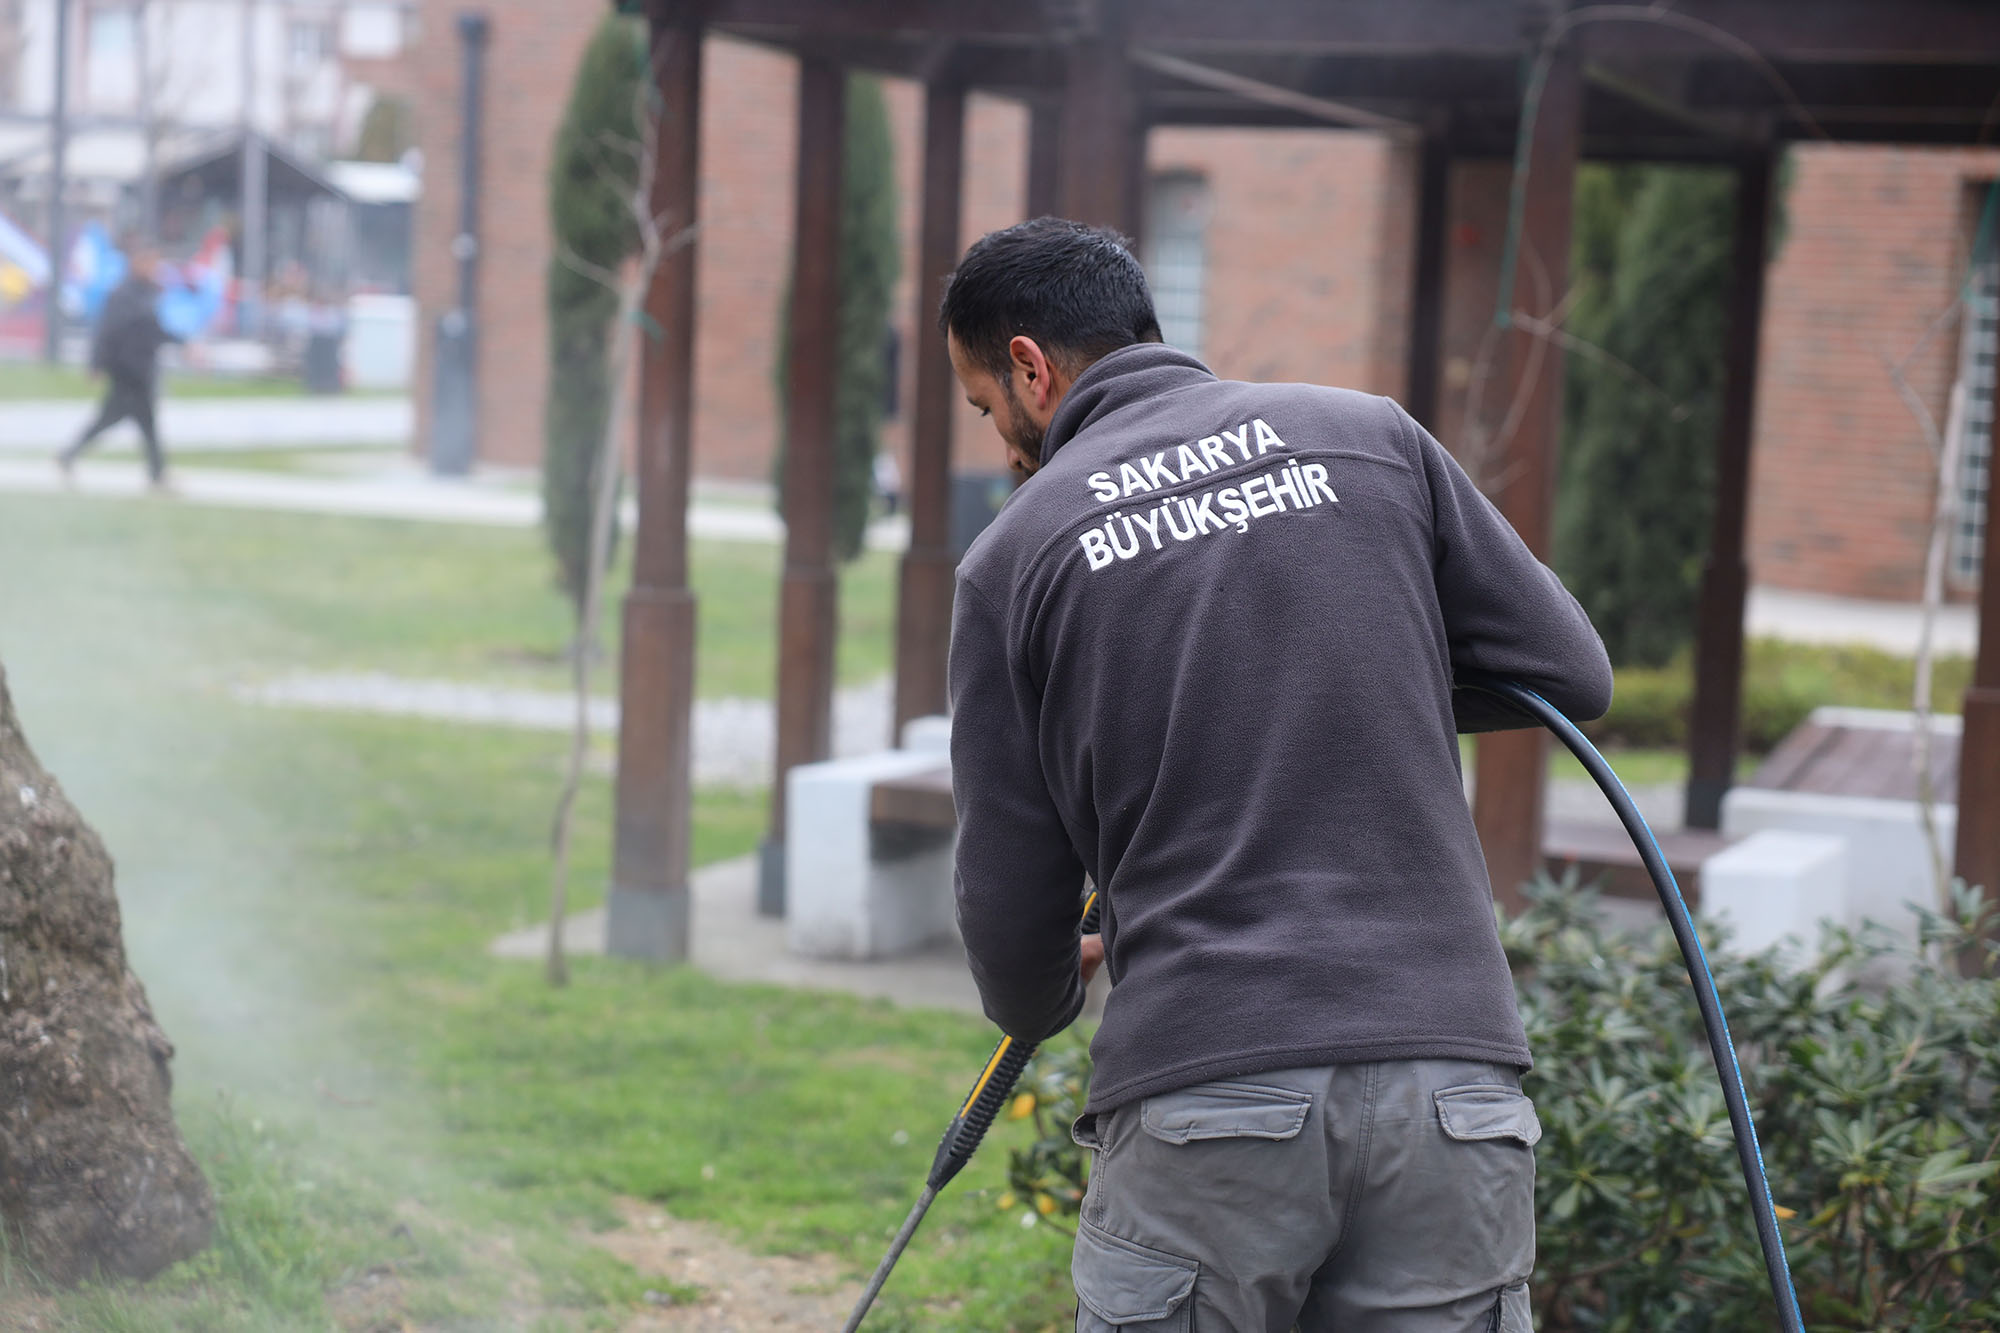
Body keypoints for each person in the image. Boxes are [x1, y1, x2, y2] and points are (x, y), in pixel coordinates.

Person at [939, 217, 1613, 1333]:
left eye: (986, 412)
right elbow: (1567, 669)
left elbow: (1007, 899)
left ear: (1029, 367)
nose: (1006, 450)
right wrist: (1343, 683)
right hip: (1449, 1091)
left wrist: (1045, 992)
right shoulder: (1367, 439)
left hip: (1208, 1090)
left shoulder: (1019, 552)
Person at [58, 242, 182, 492]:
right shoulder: (123, 294)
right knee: (135, 421)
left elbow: (154, 330)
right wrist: (96, 364)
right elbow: (106, 332)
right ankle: (157, 474)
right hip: (126, 369)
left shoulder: (148, 293)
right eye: (150, 263)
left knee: (123, 420)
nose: (154, 269)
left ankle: (69, 455)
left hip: (142, 368)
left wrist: (182, 342)